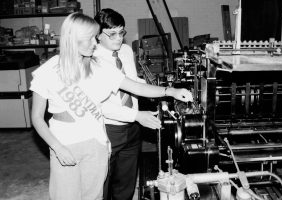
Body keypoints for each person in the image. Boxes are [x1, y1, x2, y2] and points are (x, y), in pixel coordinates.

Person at [31, 12, 193, 200]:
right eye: (90, 38)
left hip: (97, 143)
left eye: (95, 37)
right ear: (72, 39)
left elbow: (135, 86)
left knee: (94, 195)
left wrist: (170, 91)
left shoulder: (98, 66)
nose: (95, 43)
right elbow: (36, 117)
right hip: (65, 144)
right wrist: (57, 147)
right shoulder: (49, 70)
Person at [93, 8, 160, 200]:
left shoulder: (126, 50)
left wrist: (155, 89)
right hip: (107, 128)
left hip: (132, 128)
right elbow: (100, 104)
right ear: (97, 35)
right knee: (103, 181)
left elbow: (131, 81)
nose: (118, 38)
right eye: (112, 33)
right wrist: (137, 115)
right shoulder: (92, 58)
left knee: (127, 180)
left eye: (121, 32)